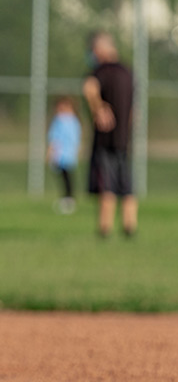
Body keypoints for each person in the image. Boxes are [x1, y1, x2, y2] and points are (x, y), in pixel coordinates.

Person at [82, 31, 137, 237]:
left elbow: (89, 88)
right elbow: (134, 110)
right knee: (126, 184)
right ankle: (129, 226)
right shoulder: (128, 72)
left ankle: (104, 228)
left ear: (99, 49)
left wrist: (99, 108)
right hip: (124, 138)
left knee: (107, 183)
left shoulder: (100, 71)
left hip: (105, 139)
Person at [46, 96, 82, 215]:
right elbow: (54, 137)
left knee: (68, 177)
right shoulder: (58, 120)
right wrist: (51, 152)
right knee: (62, 177)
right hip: (59, 154)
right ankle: (65, 198)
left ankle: (69, 199)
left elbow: (76, 138)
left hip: (69, 154)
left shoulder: (73, 121)